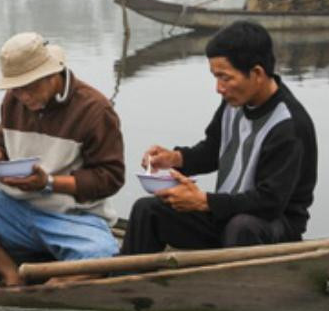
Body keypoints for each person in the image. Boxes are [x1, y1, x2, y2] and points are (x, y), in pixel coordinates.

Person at [0, 32, 124, 286]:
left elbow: (110, 179)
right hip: (17, 209)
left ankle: (49, 288)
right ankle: (11, 275)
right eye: (16, 89)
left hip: (73, 218)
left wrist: (49, 182)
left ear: (51, 75)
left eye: (29, 87)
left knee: (101, 255)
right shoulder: (13, 102)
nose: (23, 96)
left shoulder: (94, 109)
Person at [120, 20, 317, 255]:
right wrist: (174, 158)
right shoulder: (233, 103)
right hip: (227, 212)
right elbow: (214, 150)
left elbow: (270, 201)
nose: (219, 88)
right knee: (148, 210)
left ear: (257, 73)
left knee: (242, 227)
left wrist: (205, 201)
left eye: (225, 78)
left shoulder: (289, 124)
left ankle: (230, 290)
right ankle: (126, 282)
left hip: (272, 226)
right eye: (216, 77)